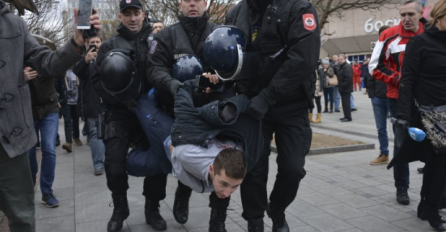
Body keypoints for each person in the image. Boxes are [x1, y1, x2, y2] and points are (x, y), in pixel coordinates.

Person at [0, 1, 100, 231]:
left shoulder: (14, 24)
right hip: (29, 117)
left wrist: (77, 42)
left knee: (23, 217)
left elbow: (48, 63)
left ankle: (46, 191)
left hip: (13, 139)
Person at [225, 1, 320, 231]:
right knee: (254, 169)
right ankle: (255, 221)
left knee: (293, 169)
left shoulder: (299, 7)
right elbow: (229, 56)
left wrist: (267, 97)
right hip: (252, 104)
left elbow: (303, 59)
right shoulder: (235, 14)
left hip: (291, 104)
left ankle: (276, 208)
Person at [91, 0, 169, 231]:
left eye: (136, 13)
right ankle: (120, 208)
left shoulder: (158, 41)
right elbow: (97, 81)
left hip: (152, 110)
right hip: (120, 111)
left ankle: (152, 208)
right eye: (127, 14)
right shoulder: (108, 46)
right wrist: (122, 98)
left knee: (157, 161)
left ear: (143, 15)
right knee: (113, 163)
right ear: (120, 17)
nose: (132, 18)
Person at [147, 0, 221, 230]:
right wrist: (173, 85)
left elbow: (229, 66)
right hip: (173, 108)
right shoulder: (166, 36)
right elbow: (154, 68)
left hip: (211, 109)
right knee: (160, 160)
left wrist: (219, 82)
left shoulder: (218, 33)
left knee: (219, 163)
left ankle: (215, 217)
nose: (192, 3)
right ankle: (153, 207)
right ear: (179, 3)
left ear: (206, 3)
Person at [393, 1, 446, 230]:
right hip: (428, 113)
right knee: (442, 162)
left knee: (436, 164)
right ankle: (433, 208)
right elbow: (407, 81)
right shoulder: (420, 43)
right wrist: (403, 117)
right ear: (440, 16)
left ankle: (425, 204)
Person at [369, 0, 426, 205]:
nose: (406, 19)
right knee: (401, 145)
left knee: (435, 145)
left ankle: (432, 192)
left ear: (421, 14)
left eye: (411, 14)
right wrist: (399, 79)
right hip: (398, 99)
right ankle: (401, 187)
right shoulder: (388, 35)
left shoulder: (431, 34)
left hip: (429, 100)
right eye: (402, 15)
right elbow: (374, 67)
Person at [24, 66, 62, 208]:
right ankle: (32, 178)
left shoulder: (43, 57)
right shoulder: (14, 58)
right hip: (27, 112)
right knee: (29, 152)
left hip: (49, 108)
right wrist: (22, 78)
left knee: (49, 149)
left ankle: (46, 192)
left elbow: (60, 69)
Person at [72, 35, 105, 175]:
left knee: (110, 134)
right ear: (87, 44)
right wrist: (86, 61)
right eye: (92, 43)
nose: (95, 45)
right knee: (95, 134)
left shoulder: (107, 57)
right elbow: (77, 72)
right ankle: (98, 164)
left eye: (98, 42)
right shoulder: (83, 60)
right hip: (91, 103)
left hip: (108, 102)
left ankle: (111, 160)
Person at [368, 26, 391, 165]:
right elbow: (370, 75)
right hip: (378, 97)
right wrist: (372, 94)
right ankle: (384, 153)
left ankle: (400, 155)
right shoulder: (376, 54)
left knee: (398, 126)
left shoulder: (395, 52)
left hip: (393, 96)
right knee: (381, 128)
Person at [65, 68, 83, 147]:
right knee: (68, 120)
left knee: (76, 119)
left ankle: (76, 137)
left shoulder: (77, 71)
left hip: (76, 100)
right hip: (67, 101)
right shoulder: (63, 72)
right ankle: (68, 141)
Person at [337, 54, 353, 122]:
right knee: (344, 103)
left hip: (346, 88)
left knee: (346, 103)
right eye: (339, 59)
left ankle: (348, 117)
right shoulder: (341, 66)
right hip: (342, 88)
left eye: (341, 59)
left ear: (344, 59)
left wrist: (342, 85)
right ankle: (345, 116)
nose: (340, 61)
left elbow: (348, 78)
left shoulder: (347, 66)